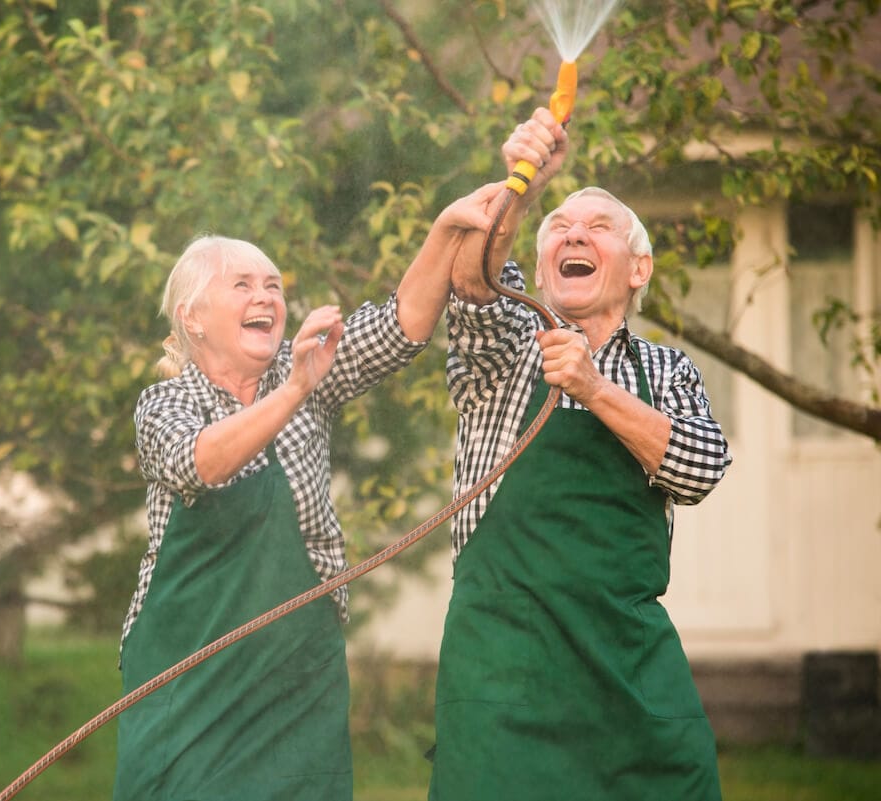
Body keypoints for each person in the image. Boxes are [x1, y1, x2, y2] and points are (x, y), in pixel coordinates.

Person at [113, 171, 517, 800]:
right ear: (193, 317)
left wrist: (444, 230)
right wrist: (297, 388)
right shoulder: (165, 403)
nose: (265, 297)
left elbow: (402, 325)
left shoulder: (305, 368)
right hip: (184, 680)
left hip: (294, 678)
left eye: (273, 286)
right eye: (242, 285)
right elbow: (202, 462)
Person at [428, 108, 733, 801]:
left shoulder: (667, 371)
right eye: (559, 228)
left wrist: (593, 387)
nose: (574, 234)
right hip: (503, 671)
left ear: (638, 268)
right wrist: (524, 186)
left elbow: (701, 469)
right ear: (540, 272)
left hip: (627, 668)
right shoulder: (504, 350)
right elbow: (472, 281)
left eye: (599, 227)